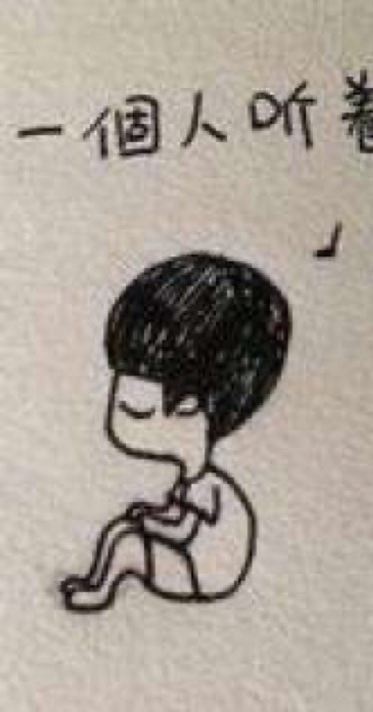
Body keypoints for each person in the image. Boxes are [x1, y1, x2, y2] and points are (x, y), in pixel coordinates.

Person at [60, 252, 292, 612]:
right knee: (122, 533)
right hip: (188, 556)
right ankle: (94, 582)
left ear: (188, 407)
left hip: (200, 571)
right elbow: (180, 520)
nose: (117, 421)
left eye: (136, 411)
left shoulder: (208, 487)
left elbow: (185, 530)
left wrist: (151, 525)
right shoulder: (193, 479)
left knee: (128, 546)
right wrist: (152, 517)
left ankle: (99, 591)